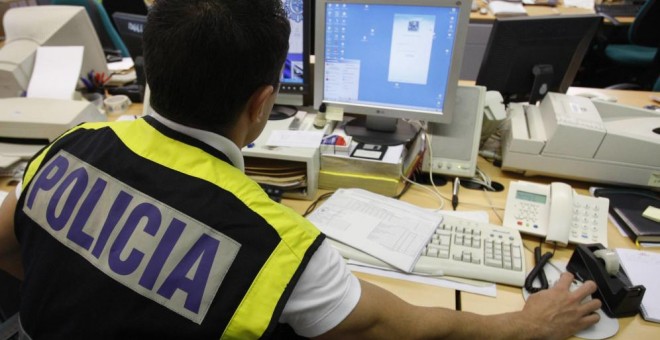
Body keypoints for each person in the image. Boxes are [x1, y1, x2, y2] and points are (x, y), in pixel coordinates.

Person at [0, 0, 602, 338]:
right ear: (264, 103)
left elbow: (8, 247)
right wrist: (530, 325)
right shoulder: (276, 246)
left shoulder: (70, 145)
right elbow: (414, 329)